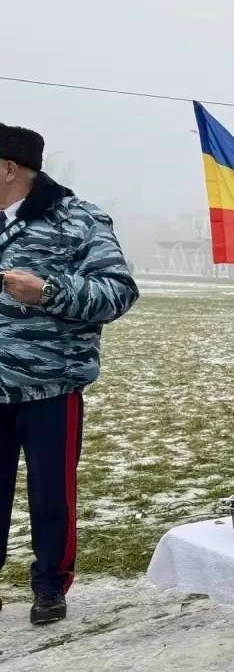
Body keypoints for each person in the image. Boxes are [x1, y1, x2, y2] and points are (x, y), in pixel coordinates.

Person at [0, 124, 139, 625]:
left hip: (51, 386)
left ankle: (50, 586)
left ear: (8, 168)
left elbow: (118, 291)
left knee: (51, 494)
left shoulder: (77, 219)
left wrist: (48, 291)